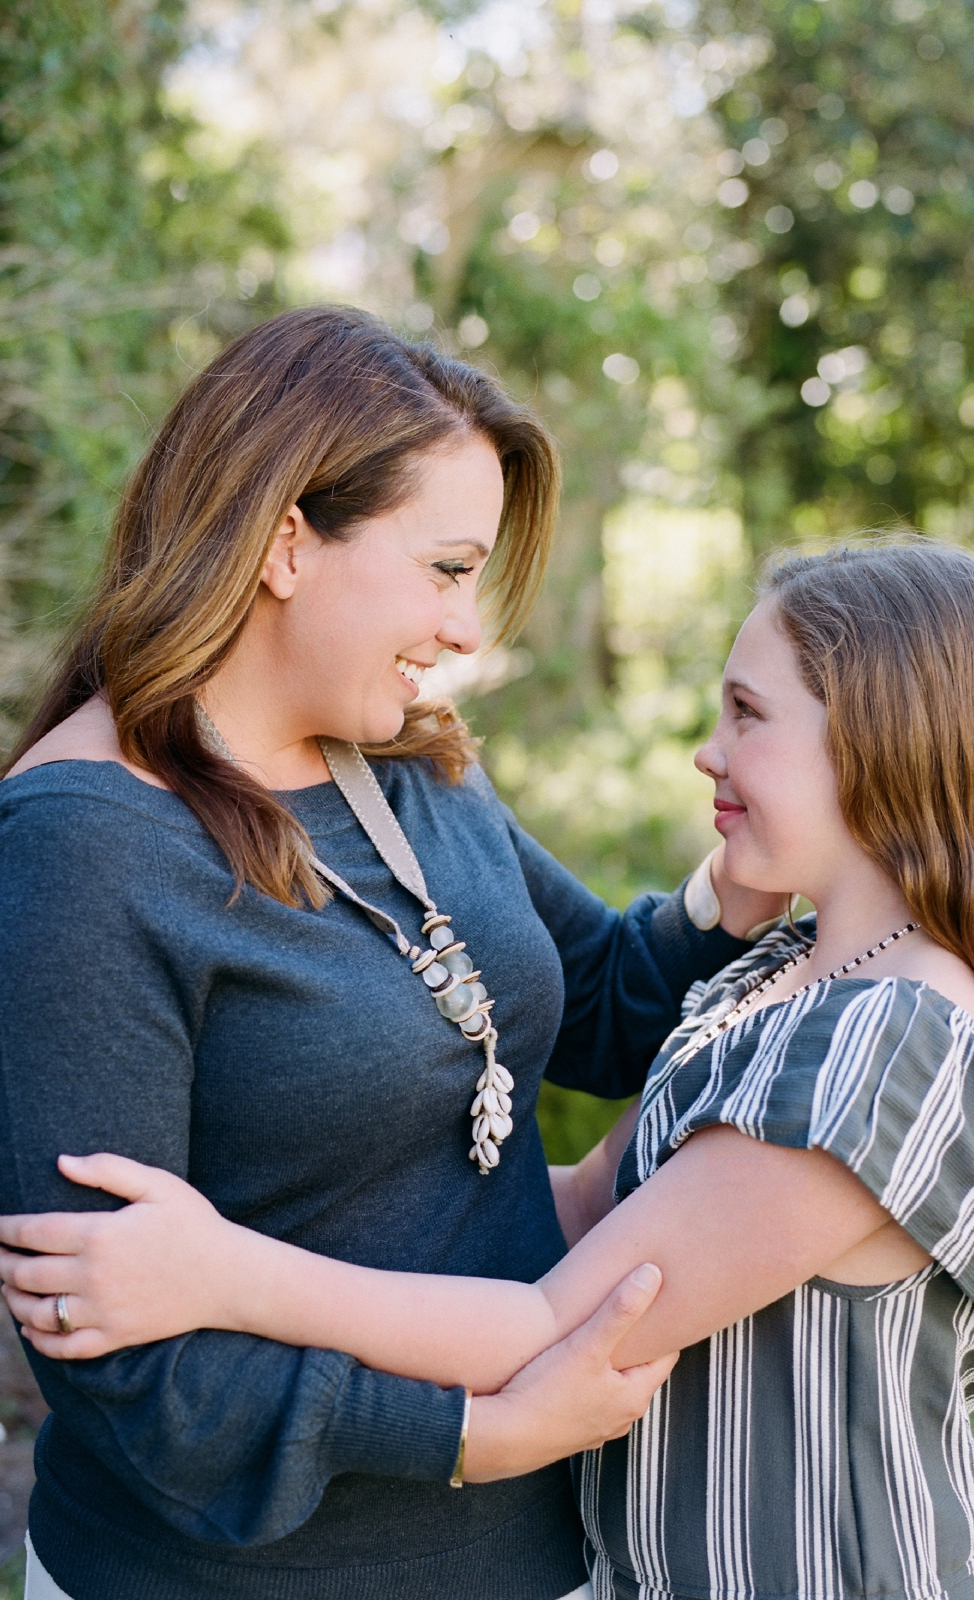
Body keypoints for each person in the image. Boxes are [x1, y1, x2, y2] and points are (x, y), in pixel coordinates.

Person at [1, 541, 974, 1600]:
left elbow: (565, 1315)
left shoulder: (882, 1048)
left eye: (748, 714)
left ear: (888, 739)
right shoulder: (784, 971)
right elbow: (571, 1205)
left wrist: (223, 1272)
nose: (709, 749)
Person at [0, 305, 787, 1600]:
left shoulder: (397, 761)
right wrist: (482, 1434)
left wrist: (754, 869)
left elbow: (594, 1001)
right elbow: (125, 1375)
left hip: (536, 1548)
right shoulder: (81, 855)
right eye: (444, 568)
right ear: (285, 541)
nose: (468, 629)